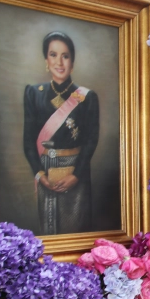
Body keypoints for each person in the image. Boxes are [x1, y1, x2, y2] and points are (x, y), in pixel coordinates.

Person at [23, 31, 100, 235]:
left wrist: (76, 175)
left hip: (75, 171)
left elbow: (91, 141)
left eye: (65, 56)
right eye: (53, 55)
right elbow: (28, 141)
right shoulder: (33, 93)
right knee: (48, 234)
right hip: (45, 172)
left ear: (72, 62)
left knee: (75, 235)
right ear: (46, 60)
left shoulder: (86, 97)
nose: (59, 62)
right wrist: (40, 175)